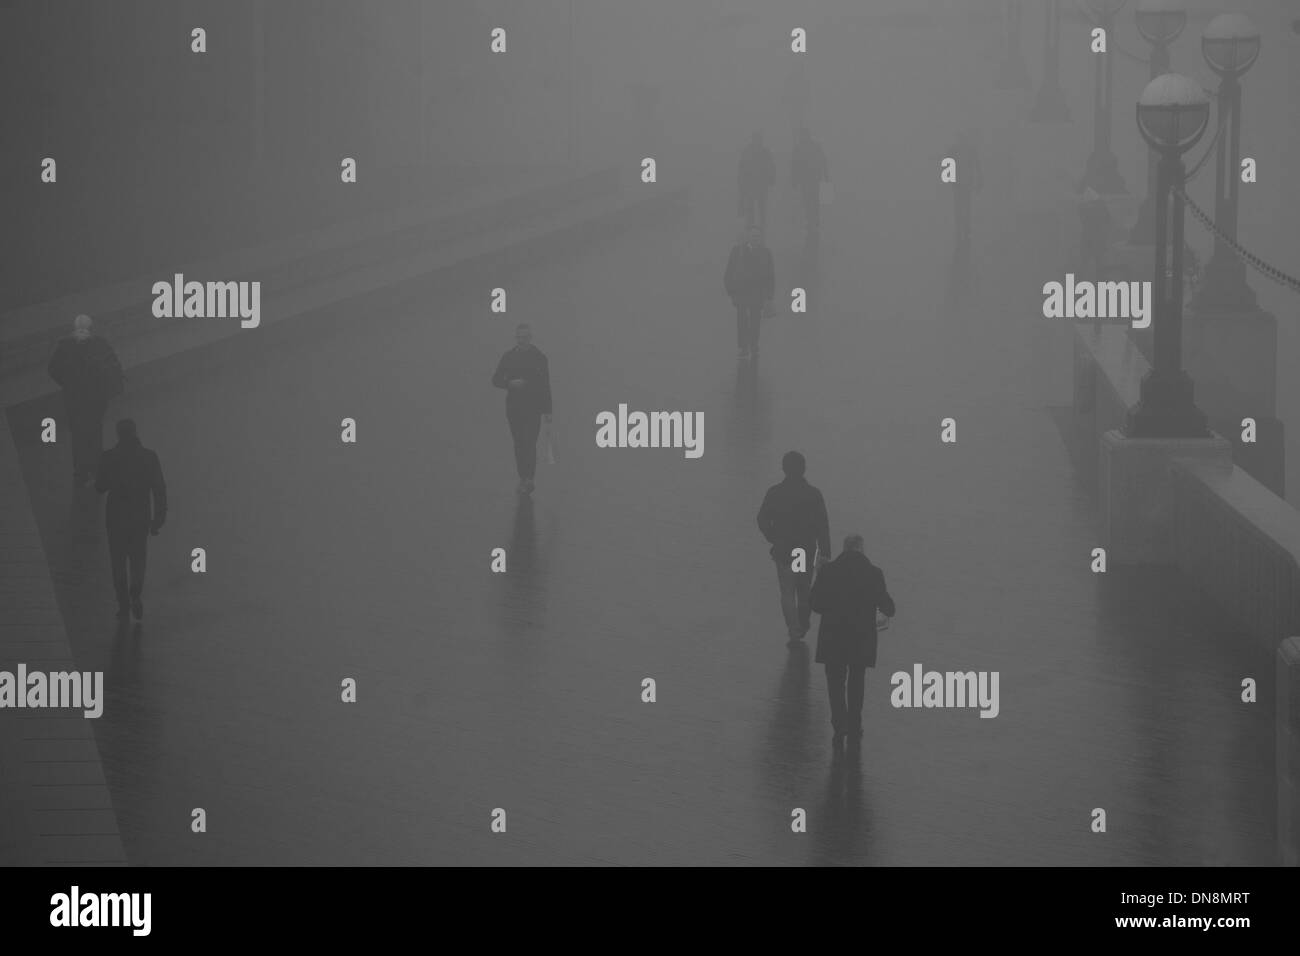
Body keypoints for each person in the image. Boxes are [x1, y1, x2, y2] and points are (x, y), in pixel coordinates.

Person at [810, 534, 896, 748]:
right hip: (861, 639)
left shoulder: (828, 571)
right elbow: (889, 609)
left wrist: (819, 574)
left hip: (833, 637)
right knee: (857, 681)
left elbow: (815, 604)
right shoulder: (874, 574)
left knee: (835, 680)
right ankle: (855, 724)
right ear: (861, 549)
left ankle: (840, 724)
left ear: (844, 549)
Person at [95, 419, 167, 622]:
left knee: (117, 562)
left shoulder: (109, 457)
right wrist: (158, 519)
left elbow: (100, 486)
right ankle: (136, 591)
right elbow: (159, 489)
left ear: (118, 434)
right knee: (138, 560)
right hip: (139, 518)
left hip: (116, 518)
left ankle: (123, 603)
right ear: (135, 433)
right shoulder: (149, 457)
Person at [756, 451, 831, 644]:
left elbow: (762, 519)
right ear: (804, 469)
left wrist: (773, 537)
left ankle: (793, 629)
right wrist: (825, 552)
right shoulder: (813, 494)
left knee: (787, 592)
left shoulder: (774, 492)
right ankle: (803, 624)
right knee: (803, 589)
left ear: (784, 469)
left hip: (783, 550)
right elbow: (822, 525)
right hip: (804, 550)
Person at [47, 314, 124, 487]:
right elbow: (113, 364)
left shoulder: (64, 346)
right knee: (95, 432)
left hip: (74, 399)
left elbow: (52, 369)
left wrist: (67, 383)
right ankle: (96, 469)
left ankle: (82, 471)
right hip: (95, 398)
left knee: (79, 435)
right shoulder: (100, 344)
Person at [491, 323, 552, 495]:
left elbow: (546, 385)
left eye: (525, 337)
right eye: (519, 337)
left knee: (530, 443)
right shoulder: (508, 357)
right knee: (519, 444)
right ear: (516, 338)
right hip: (514, 409)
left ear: (530, 338)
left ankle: (530, 479)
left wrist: (548, 411)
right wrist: (510, 384)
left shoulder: (539, 357)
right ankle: (523, 477)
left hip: (533, 409)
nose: (522, 341)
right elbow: (495, 380)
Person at [724, 224, 775, 360]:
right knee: (741, 321)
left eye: (758, 236)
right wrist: (731, 292)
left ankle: (753, 345)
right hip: (741, 293)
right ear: (748, 237)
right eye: (753, 236)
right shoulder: (737, 251)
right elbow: (729, 273)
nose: (755, 238)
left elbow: (771, 276)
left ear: (761, 238)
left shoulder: (766, 253)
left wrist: (769, 297)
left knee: (755, 321)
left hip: (757, 294)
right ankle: (743, 347)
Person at [791, 127, 829, 242]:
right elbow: (823, 160)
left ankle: (811, 222)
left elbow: (794, 165)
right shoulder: (814, 146)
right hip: (812, 179)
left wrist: (794, 179)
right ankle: (814, 221)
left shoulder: (800, 148)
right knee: (813, 201)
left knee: (809, 201)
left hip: (808, 180)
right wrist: (826, 176)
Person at [737, 132, 775, 232]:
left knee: (758, 205)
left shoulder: (753, 151)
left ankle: (755, 225)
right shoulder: (761, 152)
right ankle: (754, 225)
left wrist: (771, 178)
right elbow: (742, 168)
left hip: (758, 184)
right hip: (754, 184)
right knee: (754, 205)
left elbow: (770, 166)